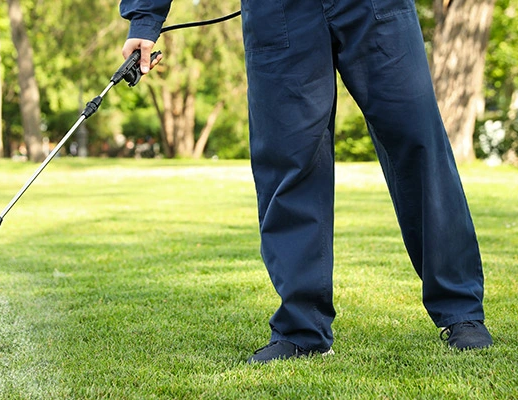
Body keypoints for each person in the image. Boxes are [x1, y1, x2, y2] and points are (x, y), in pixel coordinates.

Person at [119, 0, 492, 363]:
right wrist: (145, 20)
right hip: (278, 11)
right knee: (289, 161)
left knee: (418, 141)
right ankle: (302, 330)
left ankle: (461, 311)